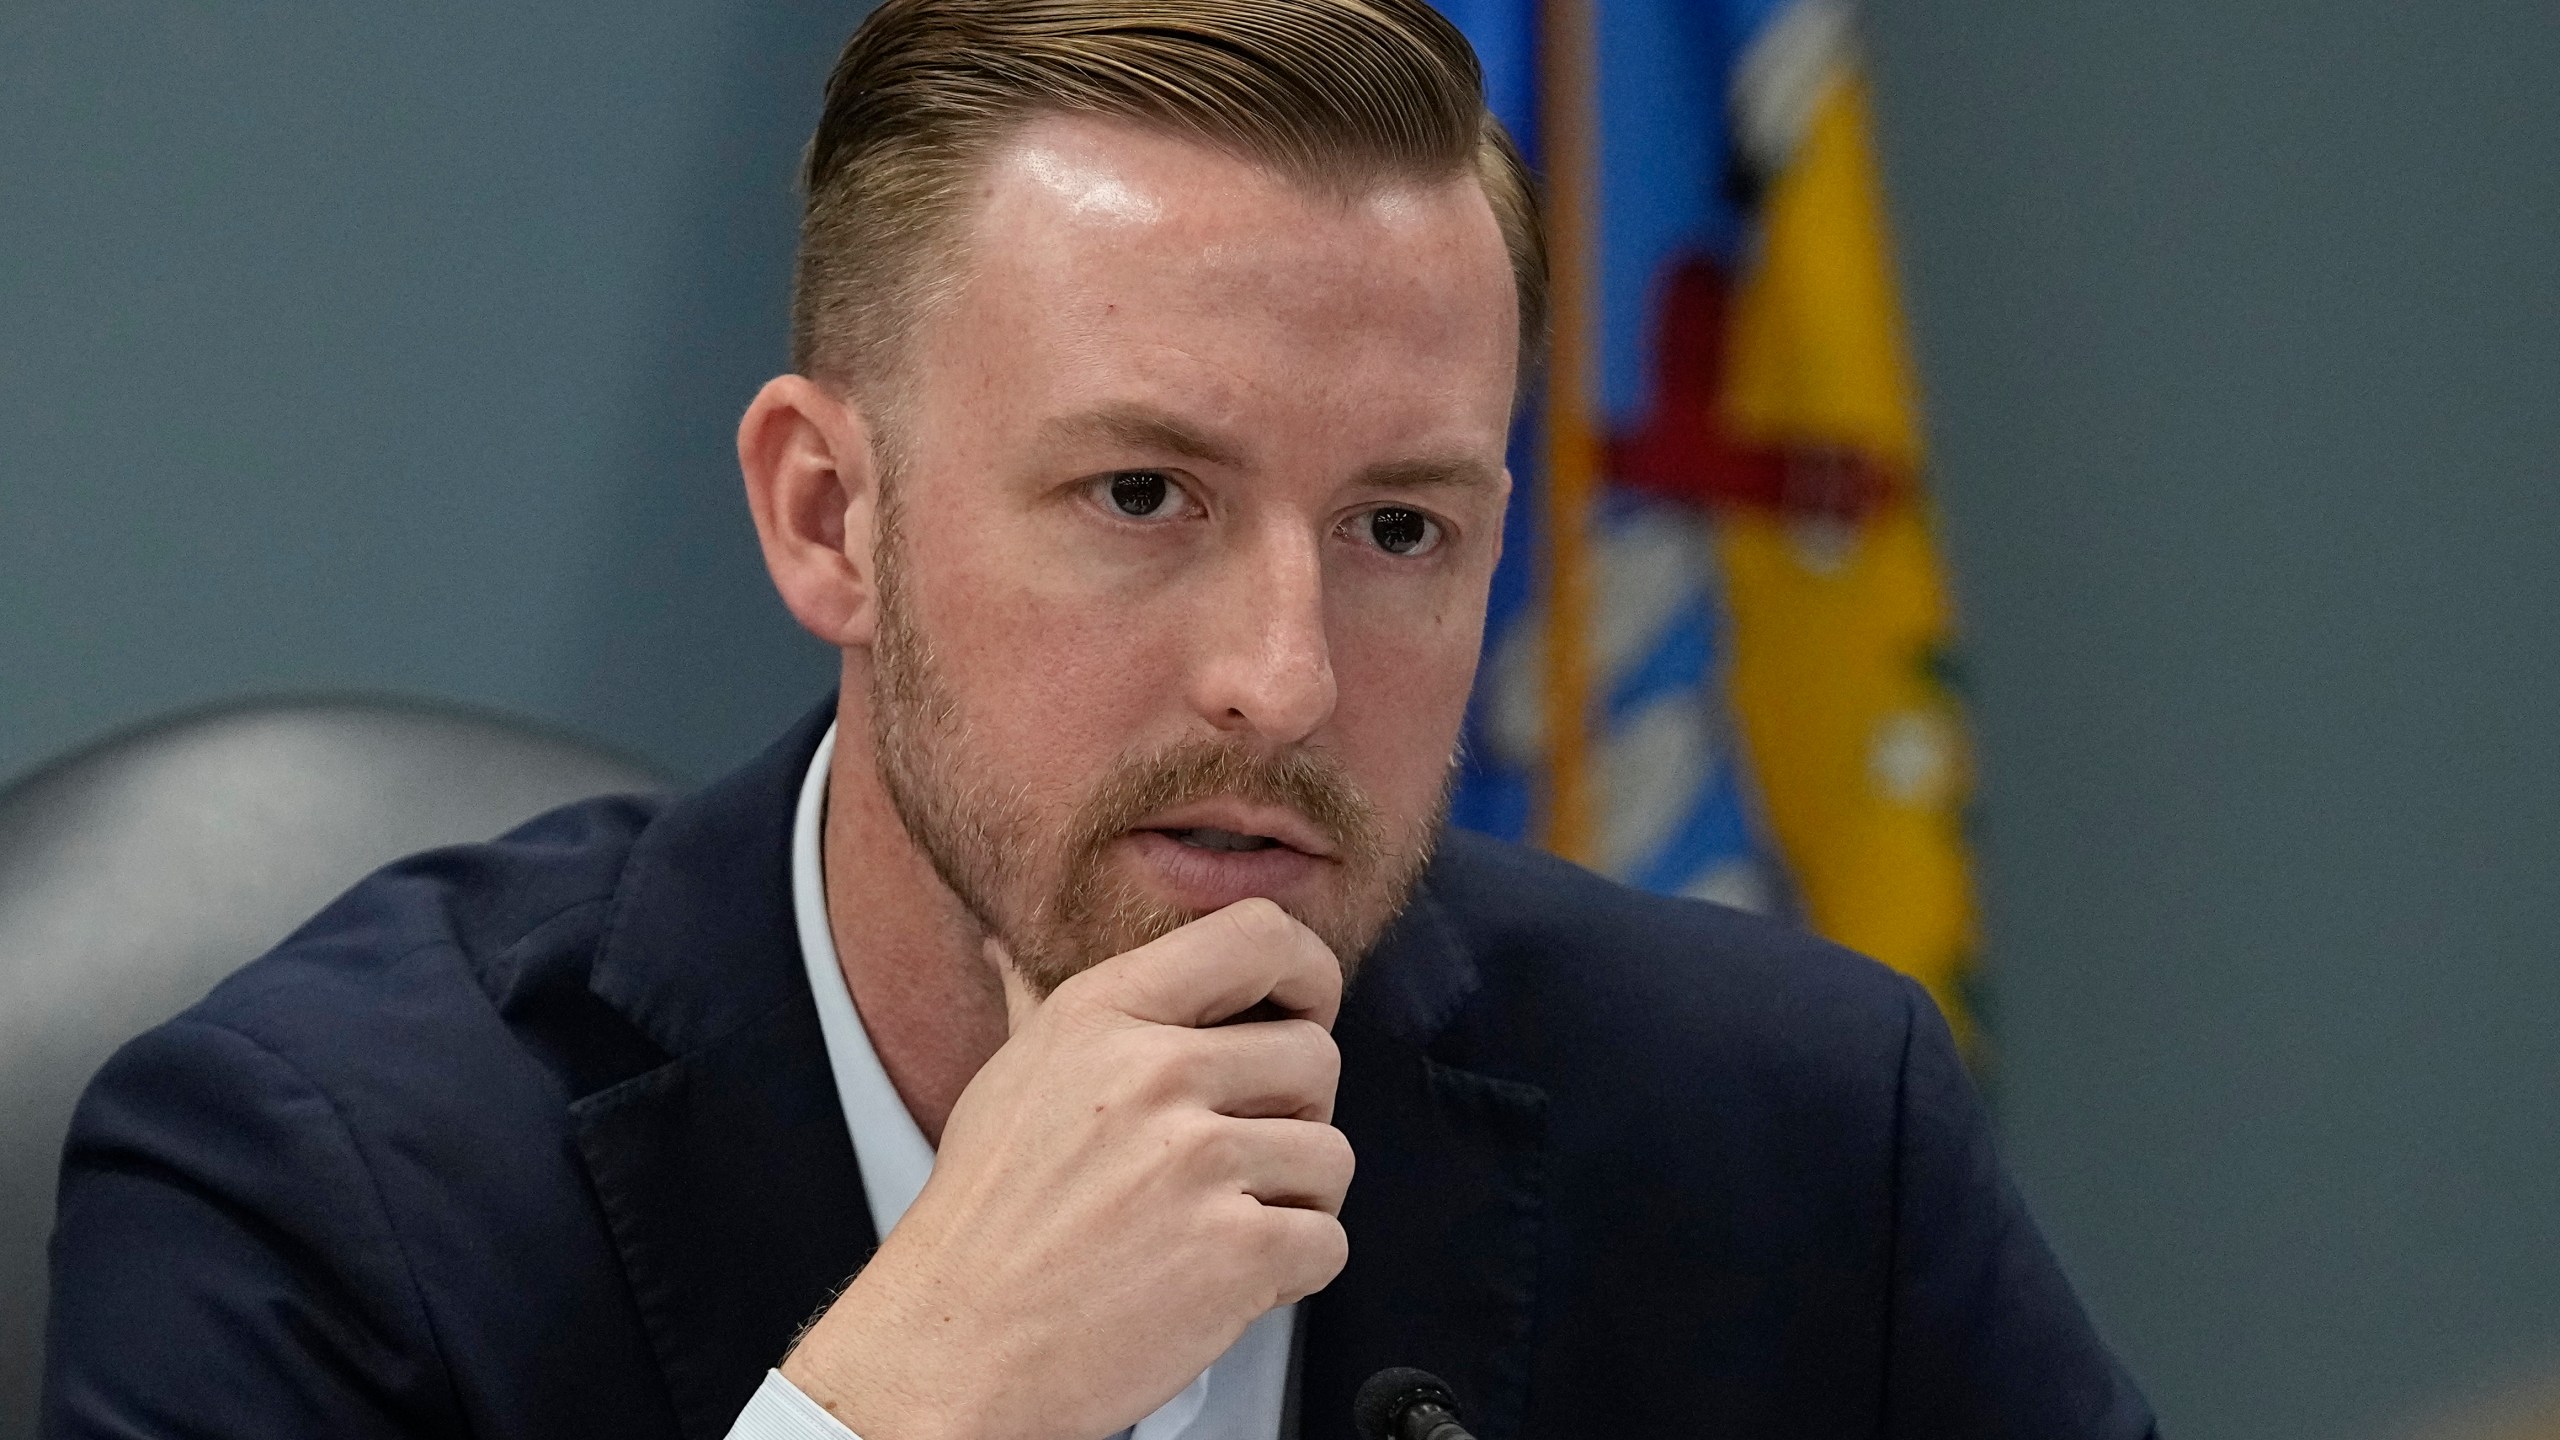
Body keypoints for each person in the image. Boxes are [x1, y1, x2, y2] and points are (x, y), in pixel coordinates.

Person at [43, 2, 2158, 1437]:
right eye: (1141, 496)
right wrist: (910, 1396)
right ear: (826, 516)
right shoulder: (317, 1184)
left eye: (1399, 525)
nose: (1287, 674)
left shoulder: (1786, 1136)